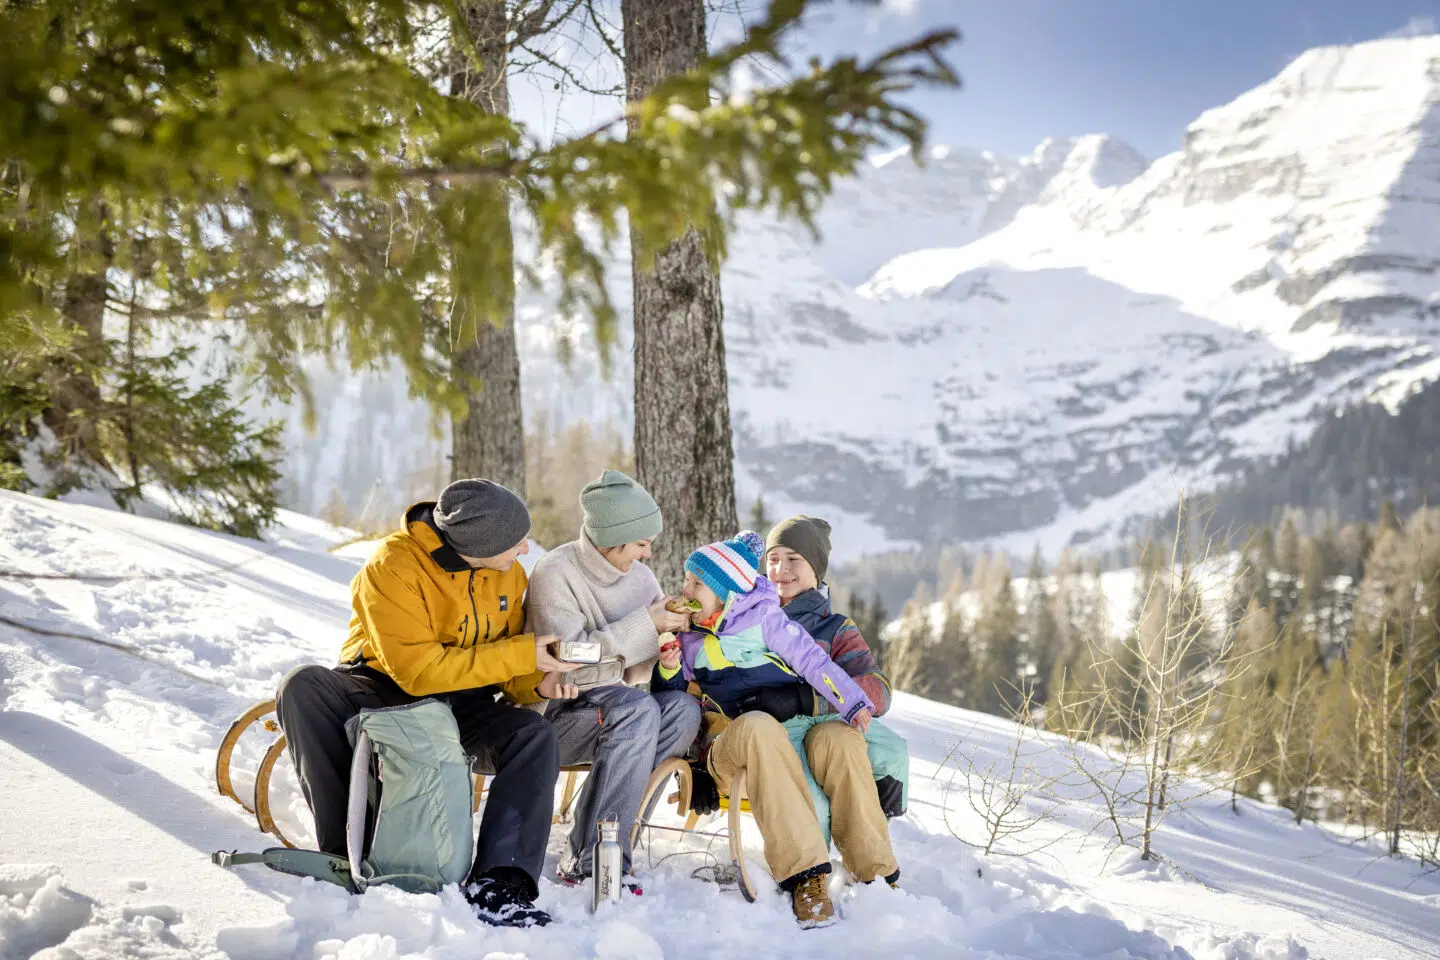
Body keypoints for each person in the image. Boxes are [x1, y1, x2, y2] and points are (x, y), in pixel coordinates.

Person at [274, 479, 580, 928]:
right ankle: (345, 850)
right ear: (479, 543)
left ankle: (500, 882)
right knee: (303, 687)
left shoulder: (508, 574)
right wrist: (519, 655)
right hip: (386, 688)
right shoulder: (393, 565)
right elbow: (415, 672)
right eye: (514, 541)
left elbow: (511, 662)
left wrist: (539, 683)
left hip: (463, 700)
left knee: (533, 736)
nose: (524, 548)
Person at [652, 531, 898, 928]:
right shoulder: (689, 639)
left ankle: (877, 876)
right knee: (758, 727)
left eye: (696, 583)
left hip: (795, 733)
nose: (685, 590)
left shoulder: (770, 622)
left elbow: (820, 667)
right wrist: (668, 667)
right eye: (687, 580)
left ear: (726, 593)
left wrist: (848, 701)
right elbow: (676, 700)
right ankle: (806, 879)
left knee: (840, 739)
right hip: (732, 745)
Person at [524, 470, 702, 888]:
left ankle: (610, 841)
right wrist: (643, 625)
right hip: (555, 713)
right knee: (636, 711)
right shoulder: (556, 573)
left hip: (616, 710)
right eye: (642, 544)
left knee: (681, 709)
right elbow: (568, 658)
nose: (647, 555)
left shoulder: (641, 580)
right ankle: (593, 861)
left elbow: (633, 672)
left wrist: (664, 647)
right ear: (614, 538)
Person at [762, 515, 910, 837]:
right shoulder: (753, 620)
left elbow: (879, 690)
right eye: (773, 559)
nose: (780, 569)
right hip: (774, 729)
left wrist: (816, 698)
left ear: (815, 569)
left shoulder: (835, 629)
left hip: (824, 723)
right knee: (814, 793)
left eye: (793, 559)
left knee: (891, 750)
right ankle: (813, 863)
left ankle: (874, 825)